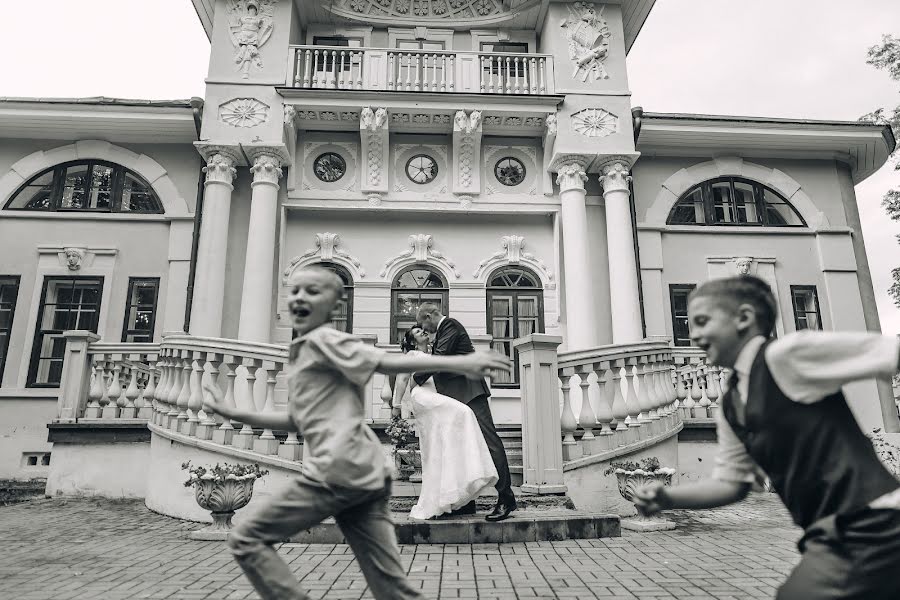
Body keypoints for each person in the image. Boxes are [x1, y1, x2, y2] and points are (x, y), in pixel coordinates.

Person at [201, 266, 511, 600]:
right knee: (389, 585)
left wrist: (463, 364)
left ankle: (503, 496)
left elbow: (391, 363)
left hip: (339, 476)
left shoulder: (329, 341)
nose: (300, 297)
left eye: (313, 291)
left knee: (247, 538)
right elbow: (299, 419)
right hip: (364, 480)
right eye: (296, 290)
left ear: (335, 306)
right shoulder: (304, 349)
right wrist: (233, 412)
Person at [633, 275, 900, 600]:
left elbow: (891, 351)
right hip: (828, 533)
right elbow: (732, 484)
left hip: (872, 523)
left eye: (702, 322)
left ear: (744, 318)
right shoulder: (731, 403)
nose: (693, 335)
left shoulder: (785, 355)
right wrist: (668, 500)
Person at [414, 303, 517, 522]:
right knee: (459, 448)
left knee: (490, 443)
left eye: (423, 323)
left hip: (470, 393)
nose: (424, 329)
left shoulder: (450, 325)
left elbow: (440, 359)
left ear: (430, 316)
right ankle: (466, 502)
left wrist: (415, 378)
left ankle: (506, 498)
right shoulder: (441, 333)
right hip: (455, 398)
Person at [393, 326, 498, 520]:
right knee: (464, 412)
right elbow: (402, 380)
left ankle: (447, 495)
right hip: (422, 397)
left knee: (439, 447)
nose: (422, 332)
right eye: (417, 332)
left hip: (436, 396)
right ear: (412, 341)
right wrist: (396, 406)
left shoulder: (435, 354)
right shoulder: (412, 355)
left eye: (422, 330)